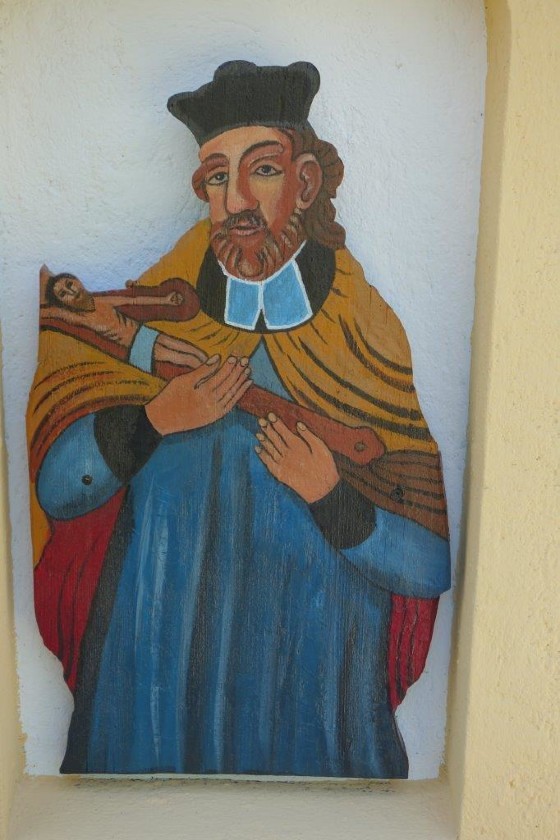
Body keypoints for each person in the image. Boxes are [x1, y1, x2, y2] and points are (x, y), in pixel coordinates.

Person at [28, 61, 451, 778]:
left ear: (306, 183)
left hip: (314, 685)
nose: (235, 202)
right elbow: (61, 491)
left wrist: (331, 497)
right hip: (156, 681)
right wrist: (153, 419)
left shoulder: (365, 337)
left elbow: (428, 562)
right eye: (217, 178)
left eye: (262, 170)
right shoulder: (152, 317)